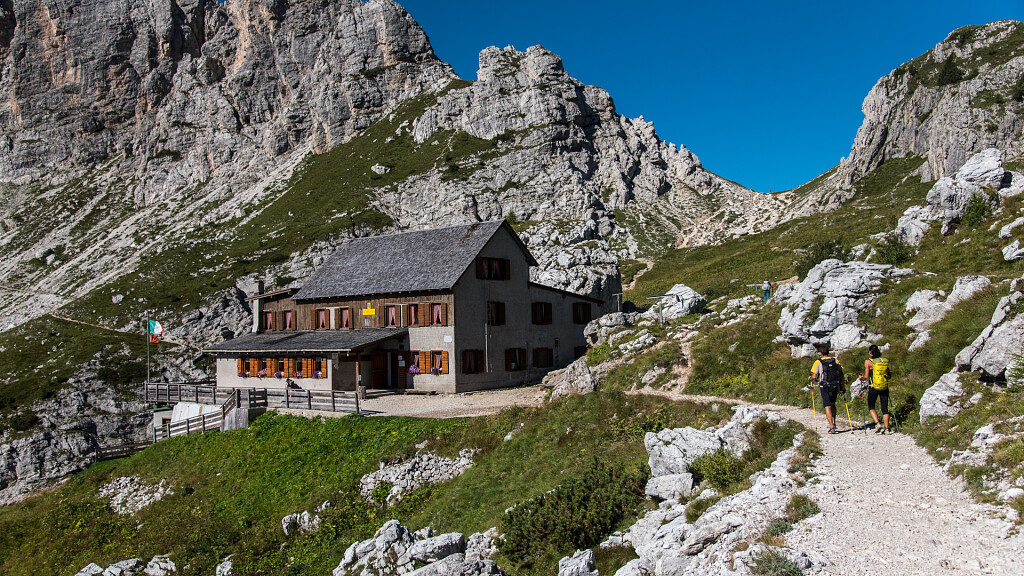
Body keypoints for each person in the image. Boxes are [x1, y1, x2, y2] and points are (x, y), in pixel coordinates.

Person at [809, 343, 844, 434]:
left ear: (820, 353)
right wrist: (842, 386)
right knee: (833, 404)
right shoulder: (835, 361)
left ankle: (831, 426)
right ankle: (834, 422)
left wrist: (811, 378)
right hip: (835, 385)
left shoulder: (818, 362)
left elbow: (814, 376)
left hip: (825, 386)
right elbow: (841, 373)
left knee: (827, 406)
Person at [863, 344, 892, 434]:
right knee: (885, 408)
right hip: (884, 387)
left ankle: (877, 423)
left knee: (871, 406)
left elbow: (866, 376)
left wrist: (861, 377)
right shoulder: (884, 361)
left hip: (873, 387)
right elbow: (889, 375)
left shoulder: (868, 362)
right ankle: (887, 429)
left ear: (870, 352)